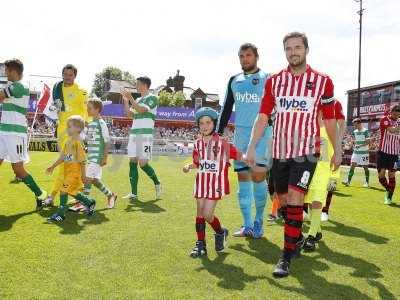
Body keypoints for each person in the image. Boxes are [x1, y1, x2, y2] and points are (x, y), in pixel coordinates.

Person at [245, 32, 340, 278]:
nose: (293, 52)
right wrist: (252, 146)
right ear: (284, 51)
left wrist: (337, 149)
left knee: (297, 197)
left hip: (307, 151)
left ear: (306, 49)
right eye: (288, 48)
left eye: (298, 47)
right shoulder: (274, 81)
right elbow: (263, 116)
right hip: (280, 151)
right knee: (283, 199)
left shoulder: (323, 81)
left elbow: (329, 119)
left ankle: (286, 256)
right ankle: (295, 236)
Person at [217, 43, 272, 239]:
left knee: (258, 177)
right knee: (243, 179)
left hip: (262, 134)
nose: (244, 59)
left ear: (256, 57)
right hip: (240, 135)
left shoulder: (268, 78)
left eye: (248, 55)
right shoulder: (234, 80)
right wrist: (217, 132)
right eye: (241, 56)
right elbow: (226, 107)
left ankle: (258, 221)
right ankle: (247, 224)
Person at [183, 107, 242, 257]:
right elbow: (197, 162)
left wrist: (255, 159)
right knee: (200, 212)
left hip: (215, 184)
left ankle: (220, 232)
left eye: (208, 122)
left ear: (214, 123)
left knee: (208, 214)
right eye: (201, 123)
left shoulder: (222, 142)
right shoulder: (197, 143)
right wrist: (189, 166)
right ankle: (200, 244)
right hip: (201, 182)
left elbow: (239, 155)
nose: (205, 126)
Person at [0, 59, 48, 209]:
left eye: (6, 70)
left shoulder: (19, 87)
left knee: (18, 169)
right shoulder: (10, 86)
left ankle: (41, 194)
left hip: (15, 134)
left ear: (13, 71)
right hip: (3, 131)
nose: (4, 73)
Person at [303, 99, 345, 251]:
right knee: (308, 203)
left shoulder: (331, 131)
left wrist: (334, 176)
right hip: (308, 173)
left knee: (316, 202)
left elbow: (336, 154)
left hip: (324, 173)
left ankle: (311, 236)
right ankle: (318, 231)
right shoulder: (307, 130)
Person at [45, 64, 88, 209]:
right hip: (62, 132)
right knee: (66, 165)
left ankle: (53, 196)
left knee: (71, 165)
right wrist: (53, 108)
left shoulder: (81, 91)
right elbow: (55, 108)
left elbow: (85, 113)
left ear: (75, 76)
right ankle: (79, 197)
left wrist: (82, 131)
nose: (67, 77)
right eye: (65, 74)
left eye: (70, 75)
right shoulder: (57, 88)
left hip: (75, 134)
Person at [46, 115, 96, 222]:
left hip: (74, 174)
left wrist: (83, 176)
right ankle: (89, 202)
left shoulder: (78, 143)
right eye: (67, 126)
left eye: (69, 127)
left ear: (78, 129)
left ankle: (61, 214)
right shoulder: (67, 142)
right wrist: (53, 166)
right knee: (72, 192)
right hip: (67, 172)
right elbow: (63, 157)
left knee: (63, 191)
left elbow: (82, 161)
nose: (67, 129)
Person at [121, 76, 162, 202]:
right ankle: (134, 193)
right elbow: (129, 114)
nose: (136, 86)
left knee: (143, 164)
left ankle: (157, 183)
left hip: (145, 136)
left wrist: (131, 98)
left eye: (138, 84)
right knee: (132, 162)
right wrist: (126, 100)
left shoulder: (153, 98)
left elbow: (142, 110)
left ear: (145, 85)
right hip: (134, 134)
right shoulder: (138, 99)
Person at [83, 98, 117, 208]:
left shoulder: (102, 123)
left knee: (87, 178)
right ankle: (111, 195)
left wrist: (105, 157)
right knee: (95, 180)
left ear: (97, 109)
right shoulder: (92, 123)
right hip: (91, 156)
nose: (87, 110)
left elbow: (107, 141)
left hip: (97, 157)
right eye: (87, 107)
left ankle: (84, 202)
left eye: (90, 108)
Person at [321, 100, 347, 222]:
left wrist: (337, 145)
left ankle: (325, 210)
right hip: (316, 144)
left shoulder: (335, 103)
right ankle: (305, 208)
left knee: (332, 178)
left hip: (331, 146)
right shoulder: (312, 99)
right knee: (311, 176)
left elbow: (342, 124)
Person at [376, 105, 400, 204]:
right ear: (391, 111)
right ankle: (388, 189)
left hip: (394, 153)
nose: (396, 114)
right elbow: (391, 130)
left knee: (391, 174)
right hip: (383, 152)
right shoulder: (384, 119)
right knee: (381, 175)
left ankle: (389, 197)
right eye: (395, 112)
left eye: (398, 113)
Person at [342, 118, 370, 187]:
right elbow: (355, 141)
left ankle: (367, 182)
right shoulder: (355, 132)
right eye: (354, 125)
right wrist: (352, 144)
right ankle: (348, 182)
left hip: (364, 152)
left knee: (365, 167)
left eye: (355, 125)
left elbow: (368, 142)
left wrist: (359, 145)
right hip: (356, 152)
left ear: (359, 123)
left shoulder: (365, 131)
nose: (355, 126)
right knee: (352, 165)